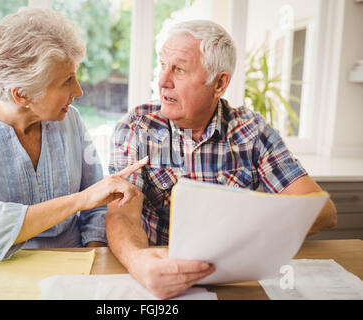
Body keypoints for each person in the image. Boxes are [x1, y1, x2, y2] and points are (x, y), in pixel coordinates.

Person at [107, 20, 337, 299]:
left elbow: (322, 210)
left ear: (219, 83)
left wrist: (241, 238)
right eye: (162, 64)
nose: (163, 80)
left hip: (233, 283)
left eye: (179, 69)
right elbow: (122, 214)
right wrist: (136, 260)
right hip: (158, 281)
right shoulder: (137, 127)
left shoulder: (252, 131)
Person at [0, 7, 146, 262]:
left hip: (74, 266)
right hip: (1, 271)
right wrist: (79, 201)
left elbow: (96, 206)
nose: (78, 91)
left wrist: (92, 261)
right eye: (67, 80)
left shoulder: (71, 120)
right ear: (22, 94)